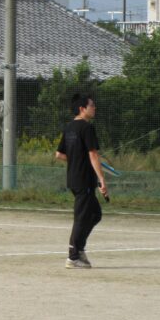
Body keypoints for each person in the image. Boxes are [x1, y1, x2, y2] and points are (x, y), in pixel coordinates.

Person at [56, 93, 108, 269]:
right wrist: (102, 179)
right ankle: (72, 256)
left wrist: (77, 159)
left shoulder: (69, 127)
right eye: (92, 105)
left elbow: (60, 155)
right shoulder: (86, 128)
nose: (94, 108)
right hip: (83, 180)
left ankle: (80, 249)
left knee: (95, 214)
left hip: (74, 178)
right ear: (82, 109)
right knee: (81, 217)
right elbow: (93, 154)